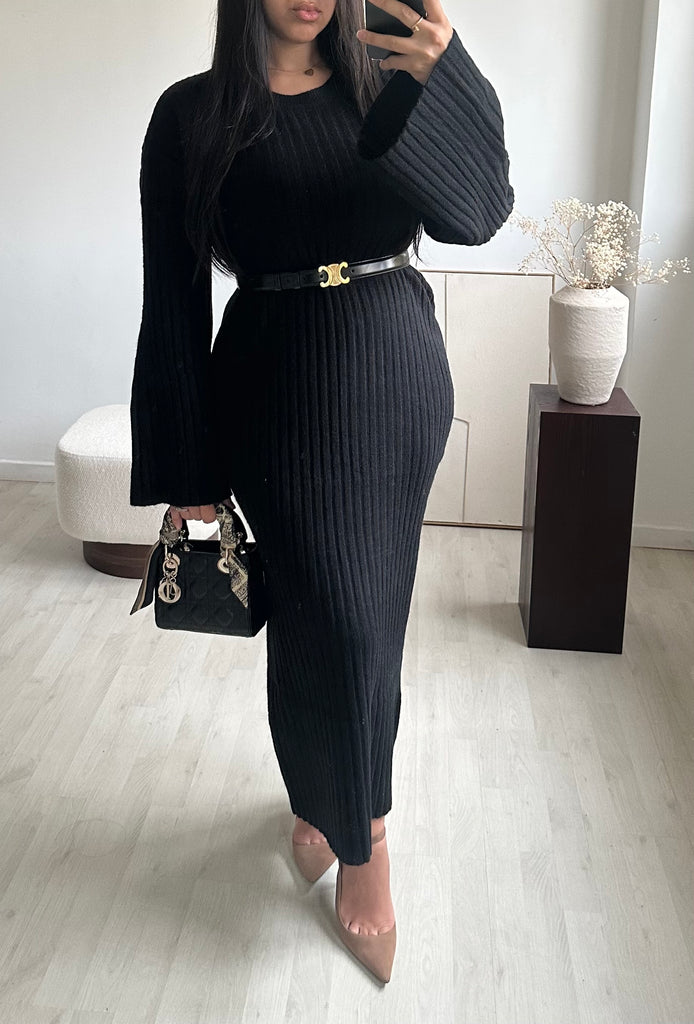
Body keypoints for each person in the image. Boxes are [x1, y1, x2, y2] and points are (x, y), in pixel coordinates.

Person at [129, 0, 514, 983]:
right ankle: (334, 809)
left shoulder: (384, 84)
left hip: (392, 370)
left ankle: (355, 828)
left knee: (361, 619)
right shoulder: (192, 114)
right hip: (272, 382)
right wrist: (186, 468)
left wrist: (449, 76)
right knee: (320, 614)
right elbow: (172, 293)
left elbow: (476, 215)